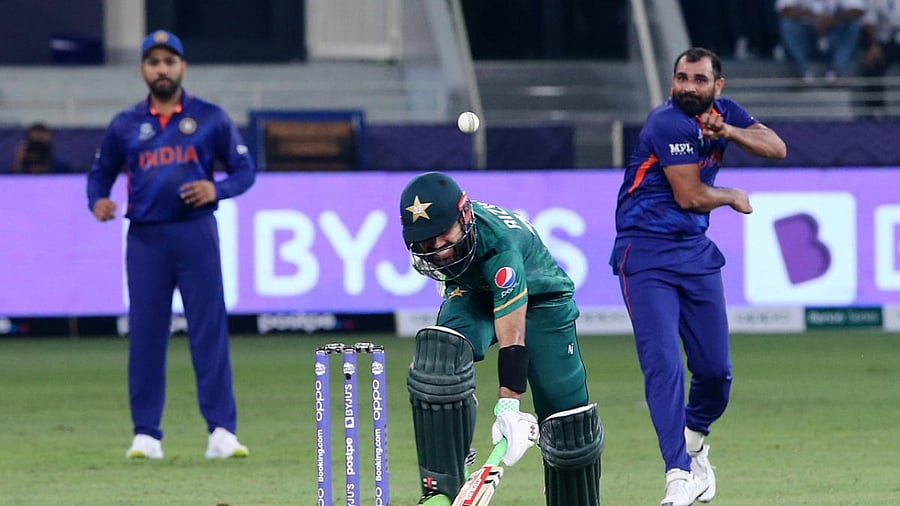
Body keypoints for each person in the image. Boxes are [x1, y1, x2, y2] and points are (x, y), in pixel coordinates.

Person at [609, 48, 786, 506]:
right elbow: (688, 196)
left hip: (694, 253)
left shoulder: (725, 113)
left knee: (715, 372)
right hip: (644, 252)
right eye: (681, 78)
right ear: (672, 82)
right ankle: (677, 474)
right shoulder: (667, 122)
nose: (688, 86)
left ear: (717, 86)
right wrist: (731, 194)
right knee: (664, 364)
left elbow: (777, 147)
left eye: (698, 79)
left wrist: (728, 130)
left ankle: (694, 444)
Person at [86, 30, 255, 460]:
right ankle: (146, 434)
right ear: (143, 69)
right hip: (145, 238)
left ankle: (221, 432)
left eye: (169, 61)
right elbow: (99, 174)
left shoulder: (210, 117)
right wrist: (98, 202)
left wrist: (217, 191)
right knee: (145, 335)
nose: (162, 69)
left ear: (182, 66)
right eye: (153, 62)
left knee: (208, 332)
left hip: (195, 233)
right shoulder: (126, 124)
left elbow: (244, 170)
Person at [399, 171, 604, 506]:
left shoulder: (499, 245)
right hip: (475, 293)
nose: (438, 249)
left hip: (542, 300)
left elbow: (512, 332)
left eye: (443, 236)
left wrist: (509, 405)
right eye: (426, 241)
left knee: (568, 425)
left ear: (464, 216)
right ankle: (441, 491)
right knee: (440, 356)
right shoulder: (448, 242)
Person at [776, 0, 866, 83]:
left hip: (833, 38)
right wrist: (815, 18)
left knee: (853, 25)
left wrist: (832, 19)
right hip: (808, 40)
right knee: (787, 24)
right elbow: (784, 9)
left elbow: (858, 10)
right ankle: (803, 74)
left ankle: (836, 73)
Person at [856, 0, 900, 113]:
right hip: (881, 43)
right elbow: (869, 22)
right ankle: (876, 109)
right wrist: (874, 45)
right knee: (872, 63)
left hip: (897, 41)